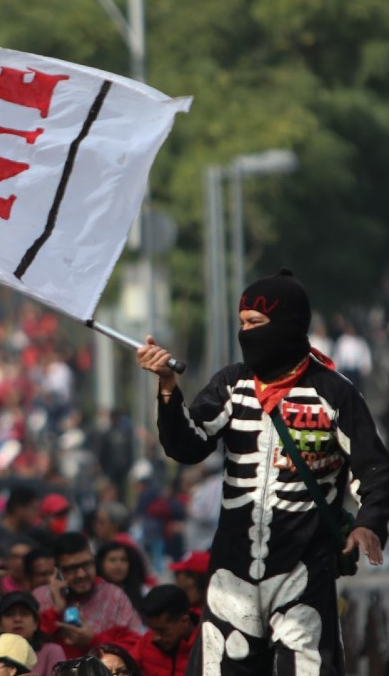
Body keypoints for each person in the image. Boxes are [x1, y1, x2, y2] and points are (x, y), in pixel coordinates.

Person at [137, 269, 389, 672]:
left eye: (256, 324)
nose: (246, 333)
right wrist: (167, 387)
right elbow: (189, 445)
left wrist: (369, 523)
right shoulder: (231, 385)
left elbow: (375, 469)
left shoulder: (335, 393)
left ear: (288, 325)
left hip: (303, 572)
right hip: (230, 575)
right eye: (242, 324)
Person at [33, 533, 140, 657]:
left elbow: (136, 647)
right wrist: (55, 611)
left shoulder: (114, 596)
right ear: (58, 571)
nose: (81, 574)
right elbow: (28, 646)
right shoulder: (41, 597)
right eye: (71, 568)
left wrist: (93, 641)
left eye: (86, 565)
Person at [124, 585, 197, 676]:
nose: (155, 637)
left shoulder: (208, 649)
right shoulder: (146, 642)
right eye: (152, 629)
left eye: (162, 630)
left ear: (184, 621)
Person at [0, 591, 67, 676]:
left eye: (24, 613)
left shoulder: (52, 651)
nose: (17, 619)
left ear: (36, 624)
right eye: (9, 614)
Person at [95, 541, 147, 613]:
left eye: (123, 560)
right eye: (112, 560)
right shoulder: (93, 593)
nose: (119, 565)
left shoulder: (143, 592)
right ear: (101, 564)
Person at [167, 551, 208, 617]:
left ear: (191, 579)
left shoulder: (201, 615)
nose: (175, 578)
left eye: (177, 573)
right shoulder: (180, 605)